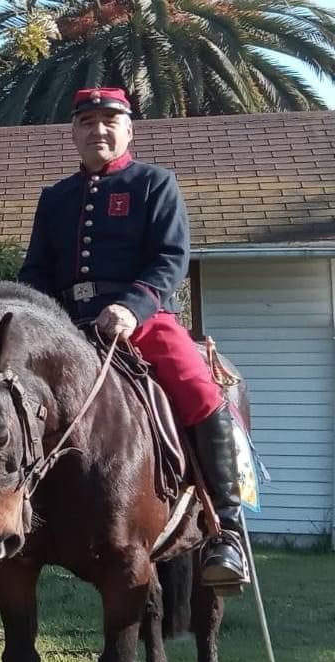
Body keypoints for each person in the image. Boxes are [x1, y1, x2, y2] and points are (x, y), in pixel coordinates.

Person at [19, 87, 247, 591]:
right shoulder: (54, 198)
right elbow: (35, 270)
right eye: (86, 122)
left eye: (108, 120)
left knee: (201, 391)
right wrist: (31, 319)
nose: (97, 130)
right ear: (73, 133)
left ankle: (225, 528)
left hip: (143, 319)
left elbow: (171, 258)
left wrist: (131, 306)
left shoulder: (154, 184)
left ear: (127, 130)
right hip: (66, 323)